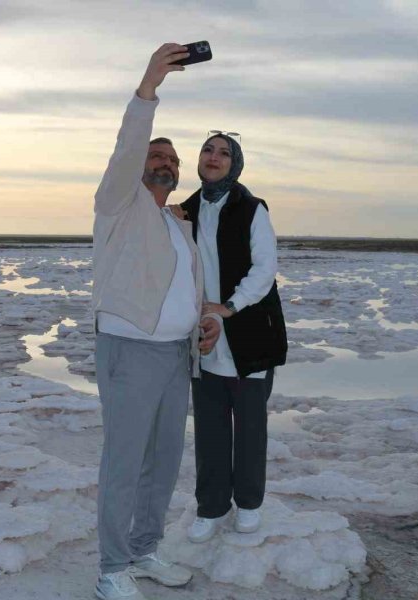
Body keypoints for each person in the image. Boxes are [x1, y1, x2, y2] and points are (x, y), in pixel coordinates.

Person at [92, 43, 222, 600]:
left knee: (164, 462)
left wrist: (205, 318)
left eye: (171, 159)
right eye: (157, 155)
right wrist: (150, 84)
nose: (166, 162)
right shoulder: (118, 203)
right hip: (130, 351)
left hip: (175, 356)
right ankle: (111, 570)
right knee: (125, 463)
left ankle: (145, 550)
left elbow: (182, 284)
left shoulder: (177, 223)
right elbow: (127, 146)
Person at [177, 131, 288, 543]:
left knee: (249, 430)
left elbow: (264, 271)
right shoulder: (184, 211)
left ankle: (249, 504)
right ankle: (210, 507)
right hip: (202, 338)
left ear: (235, 163)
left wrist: (229, 307)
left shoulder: (252, 209)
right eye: (208, 150)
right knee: (209, 430)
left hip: (248, 337)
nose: (214, 157)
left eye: (224, 152)